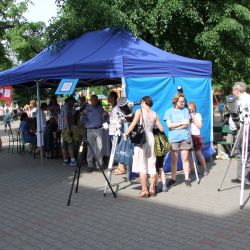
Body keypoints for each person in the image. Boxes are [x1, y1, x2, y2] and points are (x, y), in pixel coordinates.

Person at [124, 96, 164, 198]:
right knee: (151, 164)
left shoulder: (140, 111)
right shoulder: (155, 114)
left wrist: (126, 133)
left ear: (143, 102)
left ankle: (144, 190)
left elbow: (133, 124)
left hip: (142, 140)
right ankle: (152, 189)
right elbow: (161, 129)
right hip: (151, 139)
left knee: (142, 166)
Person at [164, 93, 191, 189]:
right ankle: (173, 179)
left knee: (185, 159)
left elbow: (187, 123)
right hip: (173, 139)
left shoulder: (185, 110)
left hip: (184, 138)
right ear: (175, 101)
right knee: (174, 160)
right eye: (181, 101)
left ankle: (187, 179)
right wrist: (180, 124)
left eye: (184, 101)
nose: (183, 103)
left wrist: (176, 127)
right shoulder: (169, 112)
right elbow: (169, 125)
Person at [229, 82, 250, 185]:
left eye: (233, 90)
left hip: (247, 128)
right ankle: (239, 177)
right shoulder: (238, 100)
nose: (233, 92)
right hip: (240, 128)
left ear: (237, 90)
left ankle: (246, 179)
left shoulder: (247, 99)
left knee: (246, 152)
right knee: (239, 152)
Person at [81, 95, 106, 172]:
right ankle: (90, 165)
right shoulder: (87, 108)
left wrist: (105, 115)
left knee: (100, 148)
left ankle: (99, 164)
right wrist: (86, 124)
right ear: (90, 100)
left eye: (95, 99)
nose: (94, 101)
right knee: (90, 148)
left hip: (99, 129)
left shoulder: (100, 108)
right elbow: (82, 119)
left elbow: (104, 117)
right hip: (90, 130)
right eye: (93, 99)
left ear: (97, 100)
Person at [107, 91, 127, 175]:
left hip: (117, 131)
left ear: (113, 98)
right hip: (112, 131)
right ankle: (120, 166)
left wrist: (117, 124)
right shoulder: (112, 107)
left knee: (118, 149)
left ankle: (121, 168)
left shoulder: (118, 107)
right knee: (115, 149)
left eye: (109, 96)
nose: (108, 98)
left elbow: (122, 117)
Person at [187, 102, 209, 176]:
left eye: (191, 108)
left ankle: (205, 169)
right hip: (188, 136)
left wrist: (193, 118)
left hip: (196, 135)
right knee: (189, 154)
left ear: (194, 108)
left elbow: (199, 126)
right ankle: (193, 169)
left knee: (198, 153)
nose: (190, 109)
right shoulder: (186, 115)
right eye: (189, 108)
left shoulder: (197, 115)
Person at [59, 96, 78, 166]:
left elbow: (60, 117)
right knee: (70, 144)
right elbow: (66, 117)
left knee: (64, 145)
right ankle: (72, 160)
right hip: (66, 128)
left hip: (63, 128)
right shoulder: (66, 107)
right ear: (69, 101)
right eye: (73, 102)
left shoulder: (63, 107)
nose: (73, 103)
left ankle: (65, 160)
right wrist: (68, 127)